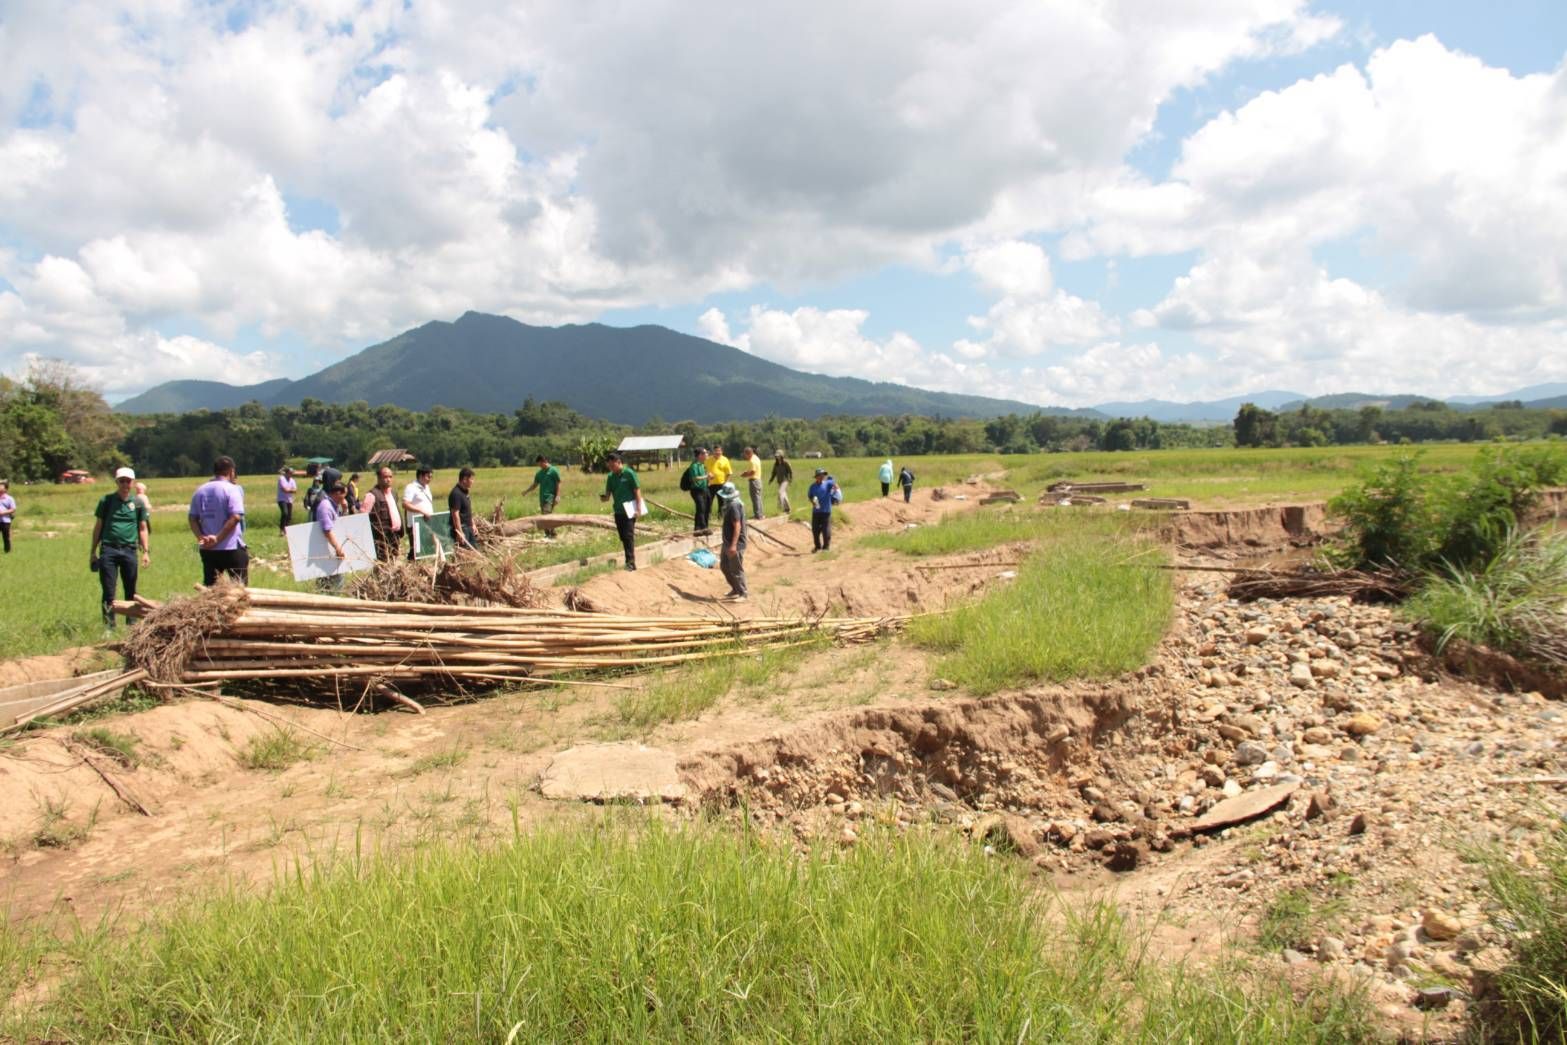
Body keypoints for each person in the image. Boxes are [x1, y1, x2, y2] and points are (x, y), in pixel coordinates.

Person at [91, 467, 150, 628]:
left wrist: (145, 552)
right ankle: (109, 626)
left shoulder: (138, 503)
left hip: (129, 550)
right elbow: (98, 527)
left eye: (128, 481)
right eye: (121, 481)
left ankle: (131, 625)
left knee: (131, 589)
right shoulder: (106, 501)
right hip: (109, 549)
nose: (125, 484)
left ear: (132, 483)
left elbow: (143, 528)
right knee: (109, 590)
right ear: (116, 482)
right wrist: (93, 552)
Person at [189, 456, 248, 586]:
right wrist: (217, 538)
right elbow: (236, 517)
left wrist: (201, 538)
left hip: (208, 550)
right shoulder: (232, 489)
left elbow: (192, 518)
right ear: (231, 471)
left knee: (211, 591)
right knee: (239, 590)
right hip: (230, 547)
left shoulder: (200, 490)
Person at [600, 451, 644, 571]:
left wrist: (639, 508)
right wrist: (604, 498)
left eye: (613, 466)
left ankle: (630, 563)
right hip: (618, 510)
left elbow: (637, 491)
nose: (611, 468)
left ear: (619, 463)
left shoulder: (629, 473)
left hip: (630, 510)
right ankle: (629, 560)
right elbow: (608, 495)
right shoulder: (610, 477)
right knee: (623, 537)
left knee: (628, 536)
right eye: (609, 466)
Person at [361, 467, 403, 562]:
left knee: (394, 560)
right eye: (385, 477)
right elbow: (362, 517)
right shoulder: (371, 495)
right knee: (382, 562)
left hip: (394, 535)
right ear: (379, 478)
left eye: (390, 477)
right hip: (380, 537)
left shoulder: (393, 493)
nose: (388, 479)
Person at [714, 481, 747, 601]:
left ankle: (743, 593)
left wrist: (733, 545)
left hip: (735, 544)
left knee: (736, 569)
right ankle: (735, 588)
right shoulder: (730, 505)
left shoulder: (734, 506)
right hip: (727, 542)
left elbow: (737, 526)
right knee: (724, 566)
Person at [314, 482, 350, 585]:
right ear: (338, 493)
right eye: (344, 495)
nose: (345, 498)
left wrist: (345, 509)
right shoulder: (325, 506)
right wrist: (338, 548)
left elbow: (339, 525)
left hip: (332, 549)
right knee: (328, 582)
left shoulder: (334, 506)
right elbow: (327, 530)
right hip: (326, 550)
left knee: (337, 580)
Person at [522, 455, 563, 537]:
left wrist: (558, 496)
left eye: (540, 464)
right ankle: (549, 534)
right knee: (545, 516)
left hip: (550, 497)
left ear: (544, 461)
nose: (539, 466)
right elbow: (534, 485)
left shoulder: (553, 470)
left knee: (546, 515)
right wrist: (526, 491)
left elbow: (558, 483)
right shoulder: (539, 473)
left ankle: (552, 534)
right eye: (538, 465)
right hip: (542, 498)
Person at [402, 466, 435, 561]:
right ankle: (411, 568)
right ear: (421, 476)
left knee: (425, 550)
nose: (430, 479)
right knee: (416, 550)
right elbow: (405, 504)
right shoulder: (411, 487)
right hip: (415, 524)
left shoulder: (426, 487)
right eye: (428, 477)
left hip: (427, 523)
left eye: (431, 477)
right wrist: (421, 511)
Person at [448, 468, 477, 551]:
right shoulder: (456, 494)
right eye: (471, 479)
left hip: (469, 527)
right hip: (463, 528)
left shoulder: (465, 492)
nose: (472, 481)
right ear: (464, 479)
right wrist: (460, 532)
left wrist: (473, 524)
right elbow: (455, 514)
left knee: (473, 552)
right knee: (464, 555)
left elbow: (467, 510)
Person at [808, 467, 836, 552]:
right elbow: (810, 496)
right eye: (820, 475)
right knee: (815, 530)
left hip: (826, 510)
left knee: (825, 529)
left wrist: (834, 493)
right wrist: (813, 501)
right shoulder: (812, 487)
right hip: (816, 511)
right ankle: (817, 546)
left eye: (823, 475)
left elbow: (835, 484)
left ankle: (826, 547)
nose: (821, 477)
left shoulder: (828, 483)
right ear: (816, 477)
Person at [684, 448, 711, 533]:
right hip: (696, 490)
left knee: (705, 508)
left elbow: (703, 478)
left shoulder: (702, 465)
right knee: (701, 508)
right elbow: (694, 478)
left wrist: (708, 479)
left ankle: (698, 528)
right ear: (700, 455)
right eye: (705, 453)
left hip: (704, 489)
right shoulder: (694, 465)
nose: (707, 454)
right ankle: (703, 528)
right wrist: (706, 477)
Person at [740, 446, 764, 520]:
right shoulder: (756, 458)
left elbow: (753, 471)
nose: (745, 456)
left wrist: (745, 475)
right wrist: (747, 472)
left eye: (745, 454)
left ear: (748, 453)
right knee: (758, 498)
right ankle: (760, 514)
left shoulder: (752, 461)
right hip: (758, 480)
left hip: (754, 481)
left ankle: (757, 515)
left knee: (755, 498)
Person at [770, 450, 793, 515]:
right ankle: (787, 509)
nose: (777, 457)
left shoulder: (786, 463)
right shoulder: (776, 464)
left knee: (780, 492)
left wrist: (790, 479)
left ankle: (780, 505)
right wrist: (771, 480)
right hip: (779, 481)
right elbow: (774, 473)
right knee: (784, 494)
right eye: (776, 456)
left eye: (779, 456)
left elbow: (790, 471)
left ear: (782, 456)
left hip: (785, 481)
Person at [277, 467, 297, 533]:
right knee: (285, 513)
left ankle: (286, 530)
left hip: (289, 500)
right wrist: (290, 490)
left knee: (289, 516)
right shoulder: (281, 479)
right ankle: (281, 529)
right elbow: (285, 490)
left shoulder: (292, 480)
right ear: (287, 473)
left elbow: (295, 490)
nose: (291, 474)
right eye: (290, 473)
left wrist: (289, 490)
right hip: (282, 499)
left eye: (292, 473)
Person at [0, 480, 13, 553]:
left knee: (6, 537)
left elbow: (13, 509)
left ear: (5, 489)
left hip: (5, 520)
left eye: (1, 486)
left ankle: (7, 551)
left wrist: (3, 512)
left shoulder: (9, 498)